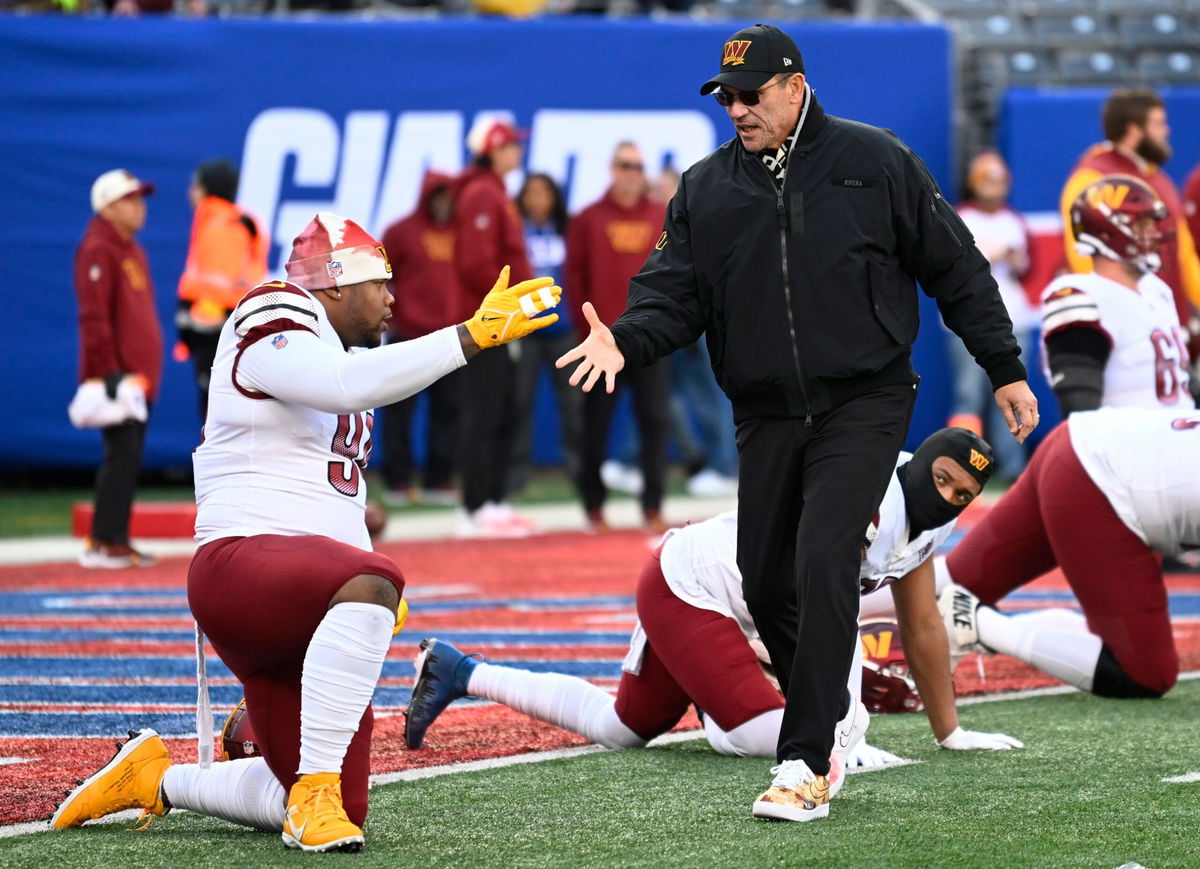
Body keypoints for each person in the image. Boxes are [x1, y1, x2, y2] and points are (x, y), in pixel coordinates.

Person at [555, 23, 1038, 822]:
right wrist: (626, 338)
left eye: (751, 95)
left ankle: (808, 759)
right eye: (727, 97)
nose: (737, 109)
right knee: (767, 573)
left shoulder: (874, 160)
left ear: (795, 86)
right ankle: (833, 719)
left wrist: (1005, 365)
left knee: (824, 556)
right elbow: (672, 294)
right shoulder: (708, 187)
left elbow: (954, 263)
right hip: (766, 406)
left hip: (866, 396)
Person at [50, 212, 561, 853]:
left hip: (300, 596)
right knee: (375, 584)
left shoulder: (345, 349)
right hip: (240, 564)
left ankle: (159, 778)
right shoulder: (273, 309)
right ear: (337, 283)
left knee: (347, 806)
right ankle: (308, 785)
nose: (392, 298)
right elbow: (339, 387)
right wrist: (469, 337)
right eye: (382, 283)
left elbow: (336, 495)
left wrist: (361, 591)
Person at [403, 428, 1022, 782]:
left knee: (624, 729)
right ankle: (721, 706)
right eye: (942, 480)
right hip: (694, 584)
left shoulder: (926, 524)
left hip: (740, 600)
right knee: (787, 736)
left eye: (962, 494)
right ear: (919, 463)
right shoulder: (867, 493)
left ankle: (461, 671)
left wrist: (952, 733)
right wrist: (843, 729)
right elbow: (829, 613)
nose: (948, 498)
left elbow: (920, 621)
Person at [936, 406, 1200, 700]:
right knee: (1147, 673)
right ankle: (972, 621)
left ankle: (876, 591)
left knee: (959, 576)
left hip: (1080, 440)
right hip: (1100, 486)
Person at [566, 141, 670, 533]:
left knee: (655, 423)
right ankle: (594, 507)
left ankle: (653, 507)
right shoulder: (588, 218)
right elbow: (574, 277)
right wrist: (586, 330)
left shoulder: (661, 215)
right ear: (612, 169)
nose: (632, 173)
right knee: (595, 426)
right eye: (625, 165)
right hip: (601, 341)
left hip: (648, 340)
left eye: (638, 166)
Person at [1059, 88, 1200, 358]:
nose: (1166, 131)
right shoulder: (1095, 176)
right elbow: (1084, 253)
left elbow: (1183, 251)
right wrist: (1117, 313)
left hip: (1169, 322)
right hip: (1126, 328)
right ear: (1134, 129)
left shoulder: (1157, 178)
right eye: (1158, 123)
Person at [1041, 174, 1192, 417]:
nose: (1154, 233)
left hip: (1178, 438)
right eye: (1143, 224)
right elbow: (1081, 414)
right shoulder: (1081, 295)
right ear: (1108, 231)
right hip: (1129, 446)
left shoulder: (1156, 290)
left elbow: (1178, 383)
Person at [73, 169, 164, 569]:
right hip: (120, 378)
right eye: (129, 200)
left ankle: (117, 538)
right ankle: (102, 541)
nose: (139, 207)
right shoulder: (99, 249)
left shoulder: (132, 250)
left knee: (130, 458)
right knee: (120, 456)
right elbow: (94, 316)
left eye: (140, 199)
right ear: (107, 207)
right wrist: (109, 371)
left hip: (139, 377)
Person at [453, 117, 538, 537]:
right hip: (488, 324)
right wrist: (505, 310)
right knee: (485, 413)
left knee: (501, 410)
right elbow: (476, 263)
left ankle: (489, 500)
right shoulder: (482, 193)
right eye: (509, 146)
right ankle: (476, 504)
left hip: (499, 323)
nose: (516, 152)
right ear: (492, 150)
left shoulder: (493, 192)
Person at [947, 151, 1034, 482]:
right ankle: (961, 466)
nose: (993, 188)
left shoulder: (1013, 219)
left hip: (1014, 317)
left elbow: (1027, 267)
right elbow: (958, 264)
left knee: (1014, 394)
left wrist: (1011, 257)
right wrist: (997, 253)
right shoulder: (960, 217)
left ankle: (1011, 469)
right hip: (968, 323)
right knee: (969, 393)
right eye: (987, 180)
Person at [379, 171, 463, 507]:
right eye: (438, 195)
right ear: (427, 195)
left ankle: (438, 480)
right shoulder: (400, 232)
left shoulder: (463, 231)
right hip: (408, 334)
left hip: (451, 336)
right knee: (399, 411)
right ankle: (398, 482)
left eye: (449, 195)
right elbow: (383, 279)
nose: (444, 202)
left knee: (449, 411)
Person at [507, 172, 583, 497]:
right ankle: (516, 474)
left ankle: (580, 471)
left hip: (563, 329)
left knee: (574, 403)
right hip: (525, 330)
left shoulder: (568, 229)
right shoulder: (513, 230)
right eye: (531, 193)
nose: (538, 199)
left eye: (544, 193)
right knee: (519, 403)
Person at [176, 159, 269, 423]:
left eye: (196, 186)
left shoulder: (223, 226)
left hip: (217, 334)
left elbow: (220, 288)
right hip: (219, 331)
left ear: (208, 189)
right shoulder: (220, 221)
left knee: (216, 410)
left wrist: (194, 328)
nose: (190, 192)